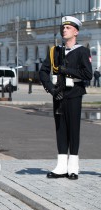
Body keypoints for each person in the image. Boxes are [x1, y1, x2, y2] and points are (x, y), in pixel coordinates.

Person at [39, 16, 92, 180]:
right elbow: (43, 71)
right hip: (59, 93)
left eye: (68, 28)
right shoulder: (55, 51)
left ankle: (73, 166)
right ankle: (61, 166)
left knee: (73, 129)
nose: (64, 30)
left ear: (76, 31)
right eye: (63, 27)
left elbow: (87, 74)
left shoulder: (82, 51)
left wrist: (67, 69)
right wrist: (51, 90)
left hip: (75, 93)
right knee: (61, 129)